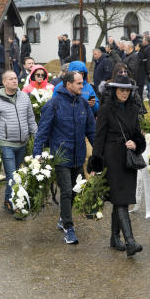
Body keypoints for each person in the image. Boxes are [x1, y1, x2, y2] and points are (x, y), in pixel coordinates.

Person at [33, 69, 96, 244]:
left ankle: (63, 218)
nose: (82, 86)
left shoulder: (83, 104)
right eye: (79, 83)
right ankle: (69, 228)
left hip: (78, 157)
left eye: (82, 83)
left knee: (75, 191)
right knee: (67, 191)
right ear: (68, 84)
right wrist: (37, 154)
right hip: (61, 157)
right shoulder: (54, 104)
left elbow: (91, 130)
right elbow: (42, 132)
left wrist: (98, 151)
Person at [88, 76, 147, 257]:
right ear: (114, 91)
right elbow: (99, 137)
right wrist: (96, 161)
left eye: (127, 90)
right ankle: (130, 241)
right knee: (120, 199)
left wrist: (136, 144)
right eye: (121, 90)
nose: (124, 93)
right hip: (112, 158)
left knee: (120, 198)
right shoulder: (106, 109)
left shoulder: (134, 108)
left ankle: (115, 237)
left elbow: (139, 135)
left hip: (128, 160)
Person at [0, 70, 37, 211]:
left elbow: (31, 119)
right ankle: (15, 204)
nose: (15, 80)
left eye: (15, 78)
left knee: (18, 175)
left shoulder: (24, 97)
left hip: (23, 143)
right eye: (11, 79)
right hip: (6, 143)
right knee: (12, 175)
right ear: (4, 82)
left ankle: (7, 201)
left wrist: (37, 138)